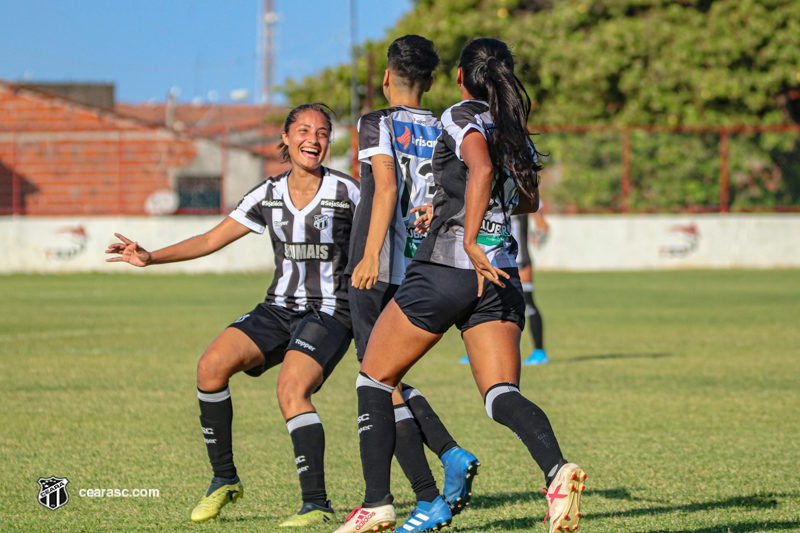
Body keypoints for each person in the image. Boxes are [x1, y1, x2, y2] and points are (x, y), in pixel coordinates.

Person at [336, 39, 586, 533]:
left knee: (374, 377)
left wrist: (466, 234)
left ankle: (378, 503)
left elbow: (481, 166)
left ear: (457, 76)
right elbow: (527, 201)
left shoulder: (460, 113)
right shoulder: (516, 128)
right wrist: (464, 209)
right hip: (502, 276)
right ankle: (557, 473)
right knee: (499, 395)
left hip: (448, 268)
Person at [106, 103, 360, 527]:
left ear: (327, 143)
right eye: (302, 130)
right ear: (285, 138)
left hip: (332, 310)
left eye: (320, 133)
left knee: (291, 389)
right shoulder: (267, 193)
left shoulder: (348, 191)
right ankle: (223, 479)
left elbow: (388, 229)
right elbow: (210, 239)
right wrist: (150, 257)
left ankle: (316, 504)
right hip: (278, 307)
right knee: (210, 367)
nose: (311, 140)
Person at [346, 35, 478, 533]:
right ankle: (438, 477)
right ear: (429, 82)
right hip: (425, 267)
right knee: (389, 376)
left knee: (376, 380)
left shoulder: (377, 122)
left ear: (386, 77)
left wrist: (368, 255)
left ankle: (433, 475)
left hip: (379, 268)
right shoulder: (446, 125)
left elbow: (384, 185)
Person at [460, 207, 550, 365]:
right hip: (489, 257)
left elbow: (537, 210)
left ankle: (539, 351)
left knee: (527, 303)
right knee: (479, 303)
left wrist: (538, 221)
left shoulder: (517, 190)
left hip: (519, 260)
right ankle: (476, 349)